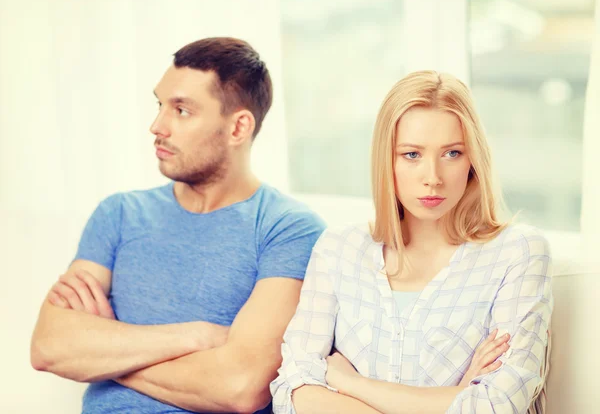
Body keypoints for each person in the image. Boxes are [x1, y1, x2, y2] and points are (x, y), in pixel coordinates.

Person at [30, 37, 326, 414]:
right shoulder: (119, 214)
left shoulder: (288, 229)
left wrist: (107, 357)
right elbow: (49, 347)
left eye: (182, 110)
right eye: (160, 105)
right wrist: (196, 336)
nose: (157, 126)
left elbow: (240, 387)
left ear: (238, 128)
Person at [271, 71, 553, 413]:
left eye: (452, 153)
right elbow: (293, 389)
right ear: (386, 160)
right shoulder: (338, 249)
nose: (432, 178)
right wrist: (452, 397)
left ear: (473, 160)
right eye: (411, 155)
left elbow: (497, 405)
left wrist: (351, 384)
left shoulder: (517, 252)